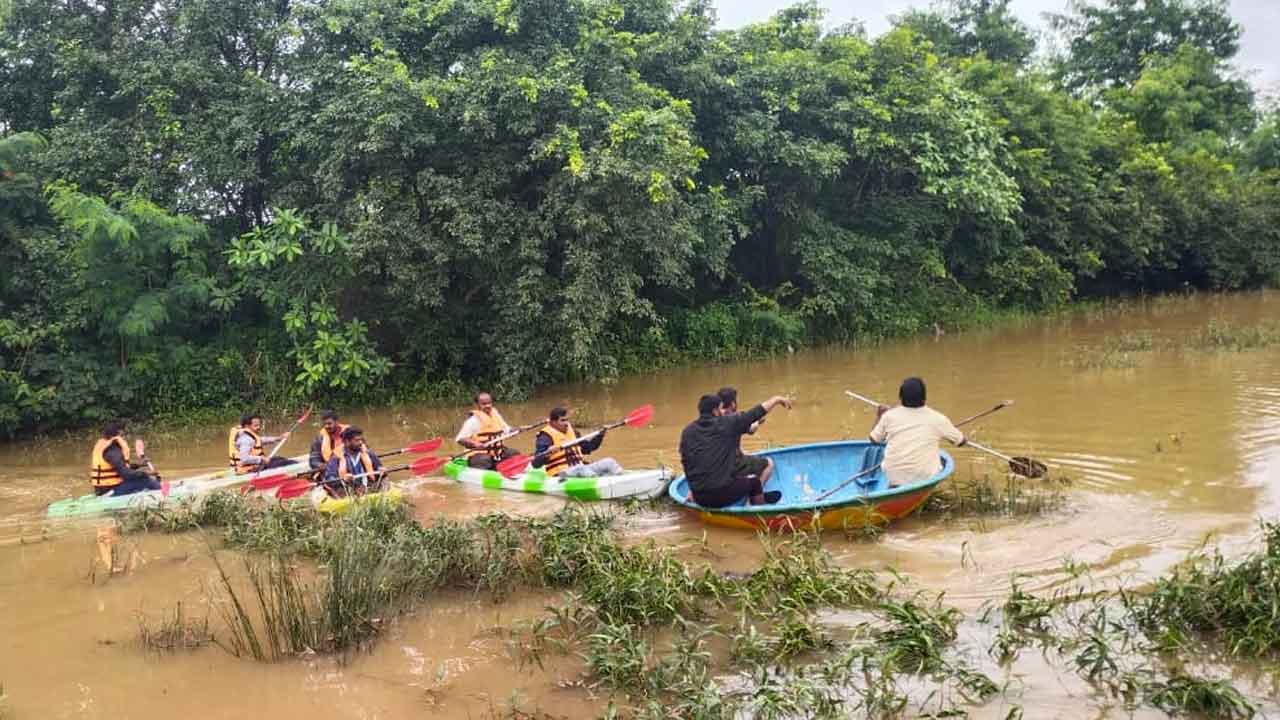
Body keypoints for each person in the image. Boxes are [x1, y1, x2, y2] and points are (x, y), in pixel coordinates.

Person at [679, 393, 793, 508]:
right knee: (754, 482)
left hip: (699, 497)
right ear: (715, 411)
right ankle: (757, 503)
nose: (723, 411)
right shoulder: (726, 423)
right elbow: (755, 413)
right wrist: (776, 399)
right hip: (718, 497)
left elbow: (686, 461)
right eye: (720, 408)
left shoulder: (687, 431)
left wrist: (693, 490)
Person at [869, 377, 967, 487]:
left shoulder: (889, 416)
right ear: (924, 398)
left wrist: (879, 416)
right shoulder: (938, 418)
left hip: (893, 476)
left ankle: (896, 488)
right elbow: (961, 441)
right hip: (925, 477)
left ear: (901, 397)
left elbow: (874, 439)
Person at [530, 407, 624, 478]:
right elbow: (536, 464)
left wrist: (600, 435)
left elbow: (588, 448)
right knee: (581, 468)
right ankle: (598, 481)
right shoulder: (545, 437)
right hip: (561, 474)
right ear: (553, 422)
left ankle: (622, 480)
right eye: (562, 420)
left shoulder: (573, 432)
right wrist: (548, 452)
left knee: (609, 461)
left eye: (567, 419)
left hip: (582, 469)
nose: (566, 423)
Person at [90, 420, 162, 496]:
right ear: (117, 434)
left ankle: (155, 488)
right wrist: (146, 473)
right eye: (122, 434)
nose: (124, 437)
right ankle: (163, 493)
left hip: (103, 489)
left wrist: (140, 465)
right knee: (145, 479)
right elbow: (126, 474)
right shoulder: (112, 450)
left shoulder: (105, 446)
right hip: (110, 490)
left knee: (140, 478)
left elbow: (121, 467)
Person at [455, 392, 521, 469]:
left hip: (497, 453)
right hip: (478, 455)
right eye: (484, 404)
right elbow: (460, 439)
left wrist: (519, 429)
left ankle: (508, 469)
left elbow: (507, 430)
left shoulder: (496, 416)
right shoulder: (473, 421)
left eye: (489, 403)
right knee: (485, 460)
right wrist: (475, 444)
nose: (488, 406)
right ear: (477, 405)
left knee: (514, 454)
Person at [322, 426, 385, 496]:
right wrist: (343, 479)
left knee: (384, 482)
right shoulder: (336, 457)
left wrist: (382, 471)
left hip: (367, 487)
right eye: (357, 440)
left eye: (361, 440)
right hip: (348, 490)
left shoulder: (368, 453)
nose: (361, 443)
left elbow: (379, 469)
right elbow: (330, 479)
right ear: (347, 442)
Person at [228, 413, 293, 474]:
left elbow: (260, 440)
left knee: (279, 459)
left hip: (255, 465)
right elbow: (244, 459)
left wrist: (279, 438)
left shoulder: (248, 435)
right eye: (256, 425)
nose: (259, 427)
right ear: (247, 426)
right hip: (250, 469)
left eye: (259, 425)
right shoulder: (246, 440)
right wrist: (261, 459)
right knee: (287, 463)